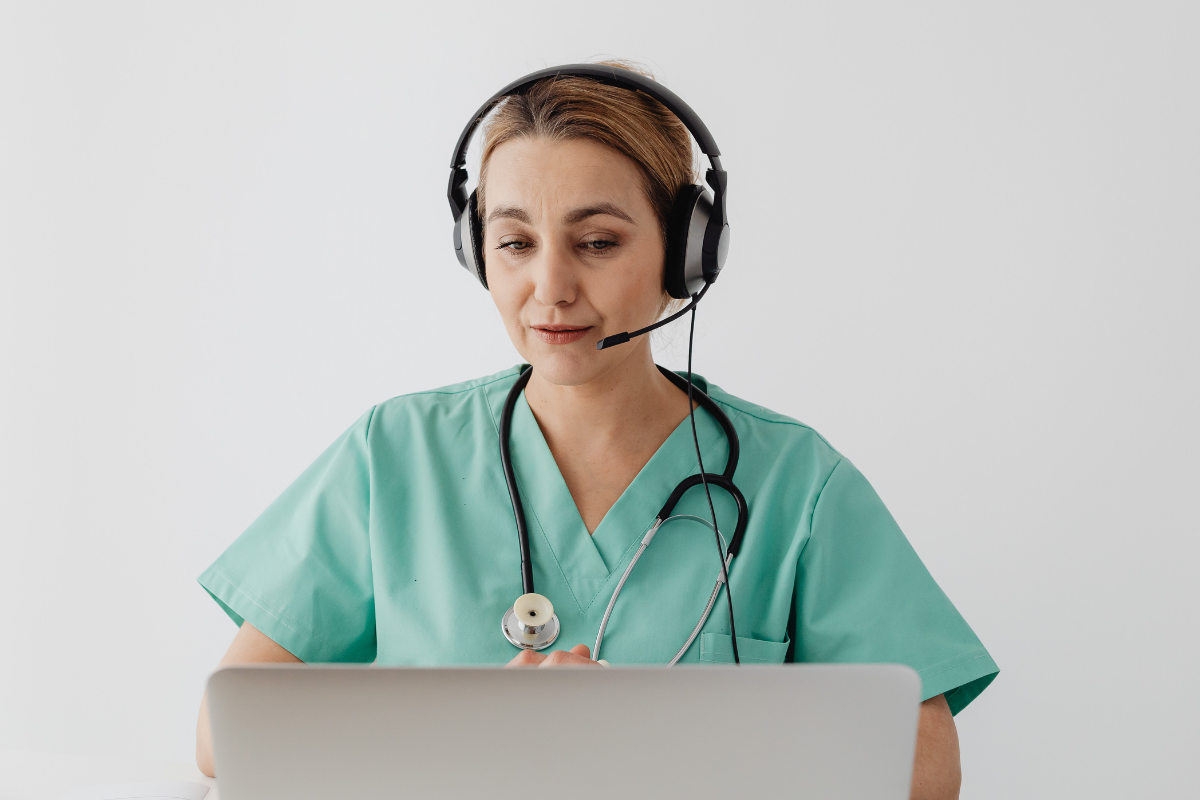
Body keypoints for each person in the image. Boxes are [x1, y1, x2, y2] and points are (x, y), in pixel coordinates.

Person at [194, 61, 996, 799]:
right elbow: (225, 738)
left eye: (598, 242)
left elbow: (926, 768)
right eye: (514, 242)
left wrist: (652, 742)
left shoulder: (797, 481)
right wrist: (473, 733)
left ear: (687, 253)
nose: (550, 288)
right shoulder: (394, 454)